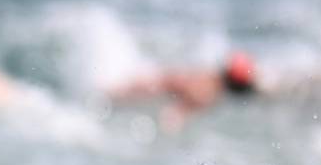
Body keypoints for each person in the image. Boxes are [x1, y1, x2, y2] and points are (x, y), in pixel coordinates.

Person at [107, 51, 259, 127]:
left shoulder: (210, 75)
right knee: (111, 100)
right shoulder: (208, 95)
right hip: (153, 90)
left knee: (114, 91)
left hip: (155, 79)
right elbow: (175, 114)